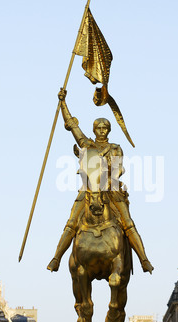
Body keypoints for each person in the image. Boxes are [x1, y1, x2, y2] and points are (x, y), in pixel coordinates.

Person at [47, 88, 153, 275]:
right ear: (94, 130)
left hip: (110, 188)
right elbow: (72, 126)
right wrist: (63, 103)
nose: (102, 131)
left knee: (128, 223)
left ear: (109, 130)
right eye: (99, 128)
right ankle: (56, 257)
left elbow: (118, 169)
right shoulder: (87, 145)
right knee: (71, 222)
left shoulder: (115, 148)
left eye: (105, 128)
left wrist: (108, 178)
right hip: (89, 189)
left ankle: (144, 259)